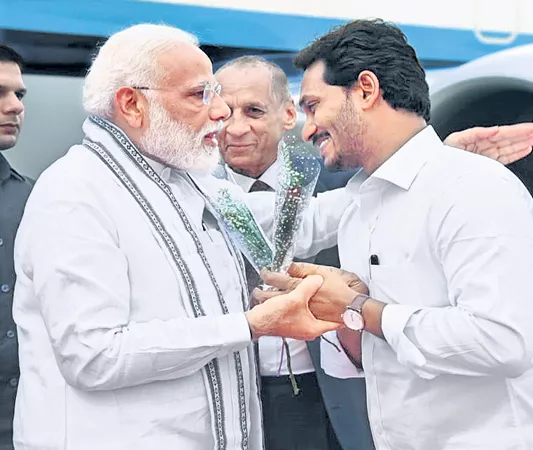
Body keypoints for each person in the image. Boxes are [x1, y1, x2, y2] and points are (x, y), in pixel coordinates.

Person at [11, 24, 347, 450]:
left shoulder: (198, 184)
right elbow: (93, 355)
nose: (222, 112)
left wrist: (427, 162)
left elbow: (299, 222)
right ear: (132, 104)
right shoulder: (74, 193)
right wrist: (249, 325)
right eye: (199, 94)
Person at [259, 19, 533, 450]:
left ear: (367, 90)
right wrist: (337, 317)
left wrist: (358, 307)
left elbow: (501, 342)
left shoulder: (473, 189)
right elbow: (383, 353)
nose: (309, 127)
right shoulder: (361, 202)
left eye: (314, 105)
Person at [0, 43, 30, 450]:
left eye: (19, 94)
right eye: (0, 93)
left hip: (21, 426)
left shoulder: (38, 200)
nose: (16, 106)